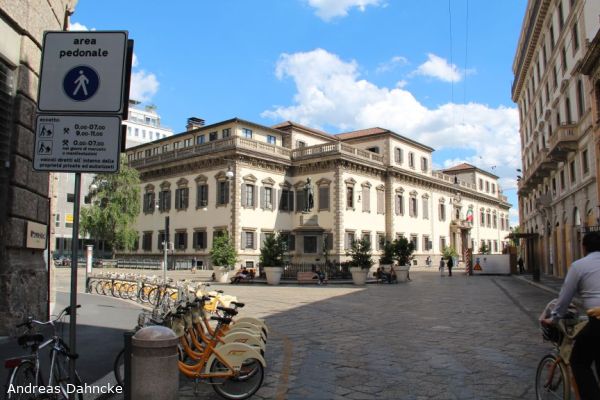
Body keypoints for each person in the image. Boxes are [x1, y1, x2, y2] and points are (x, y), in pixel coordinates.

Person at [541, 231, 600, 400]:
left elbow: (564, 299)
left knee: (579, 362)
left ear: (584, 247)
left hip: (597, 321)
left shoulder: (579, 266)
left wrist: (553, 319)